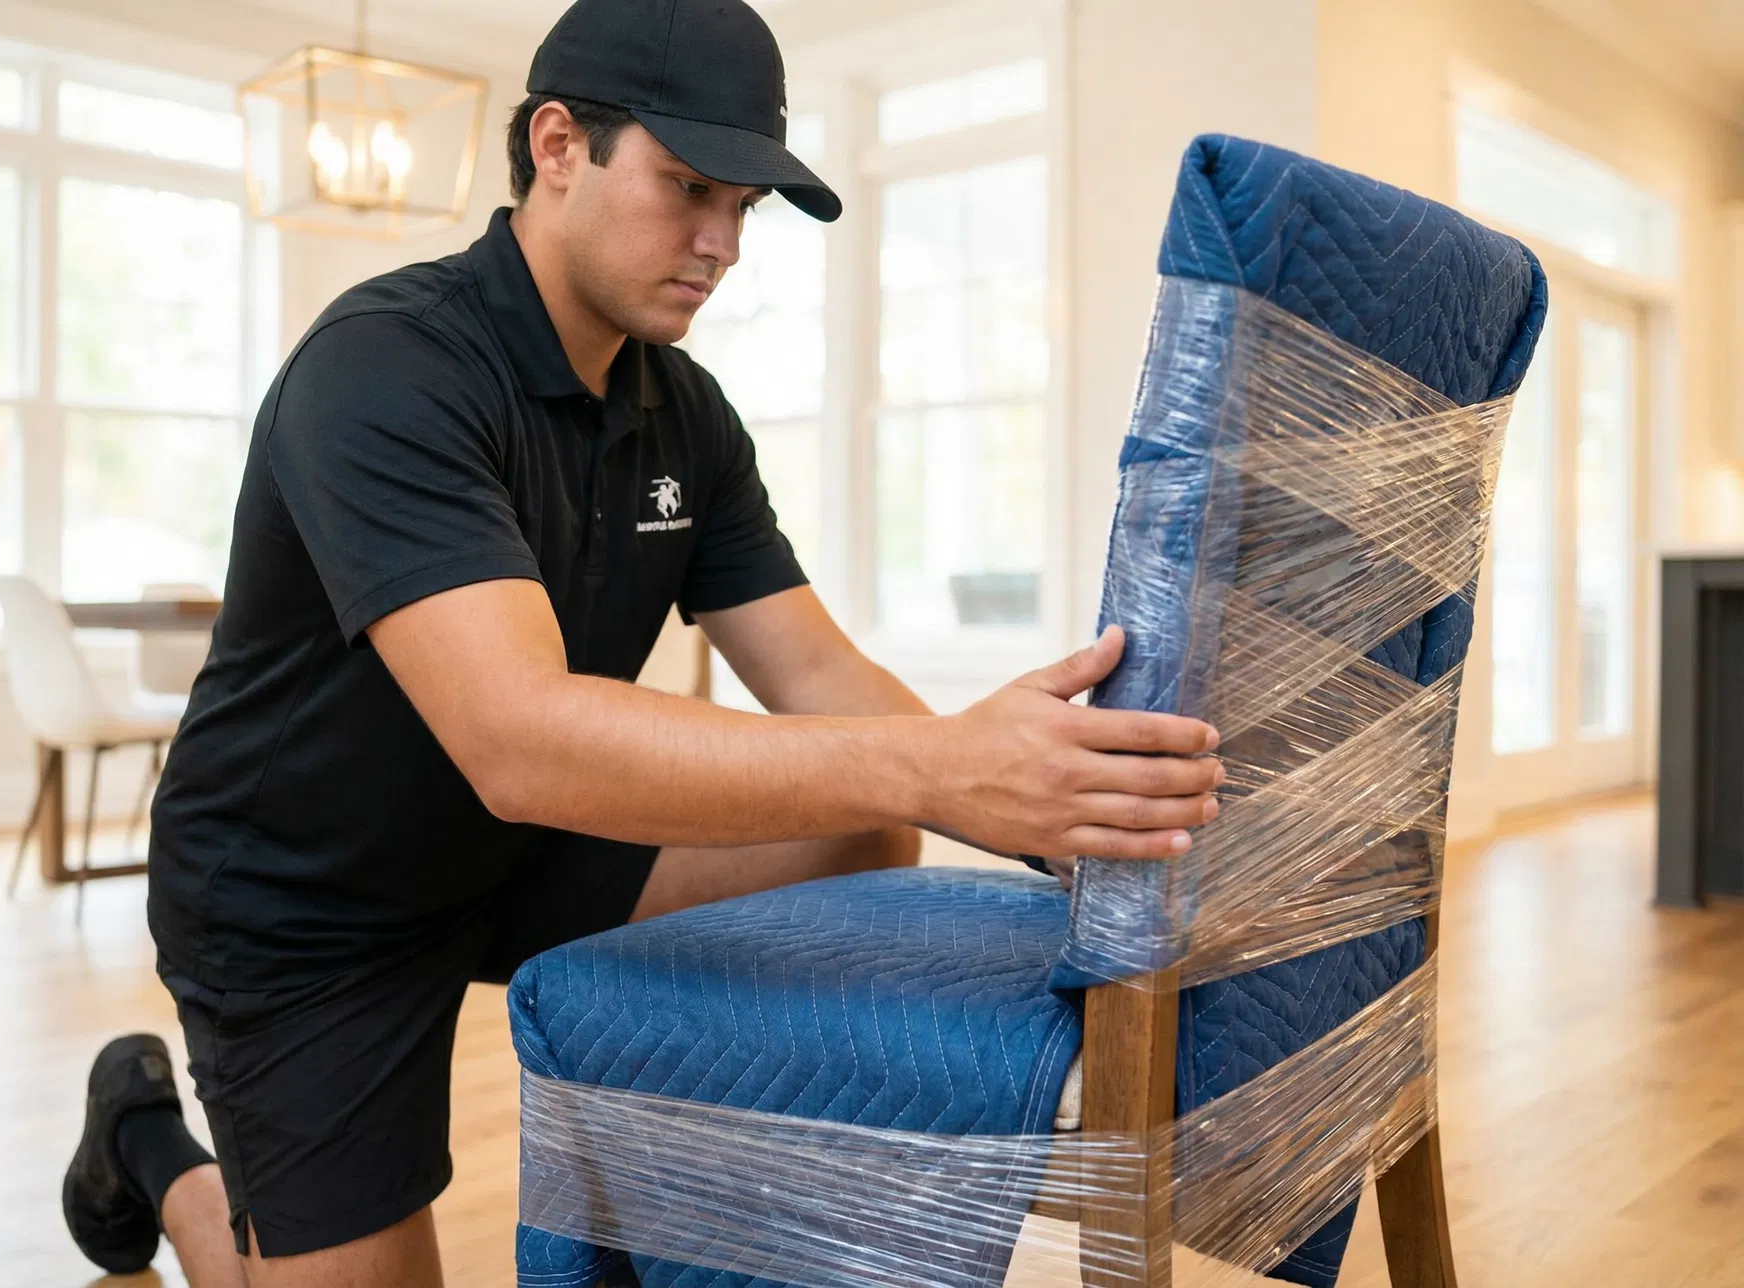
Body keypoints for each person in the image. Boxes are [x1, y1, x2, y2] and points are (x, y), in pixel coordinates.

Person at [59, 0, 1223, 1283]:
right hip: (304, 896)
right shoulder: (388, 365)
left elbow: (821, 679)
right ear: (559, 145)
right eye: (687, 189)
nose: (721, 243)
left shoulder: (685, 411)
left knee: (858, 824)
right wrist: (941, 768)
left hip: (511, 852)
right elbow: (519, 737)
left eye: (745, 207)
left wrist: (1045, 802)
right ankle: (152, 1145)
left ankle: (698, 1172)